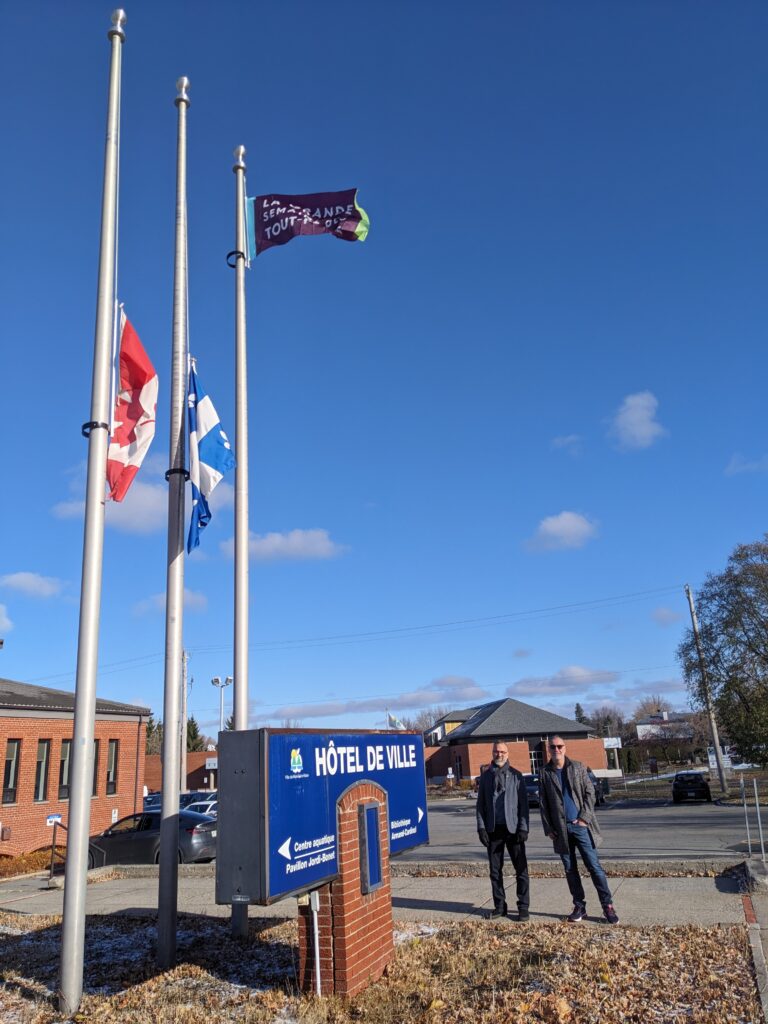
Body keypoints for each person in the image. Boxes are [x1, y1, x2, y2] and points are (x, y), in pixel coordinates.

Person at [539, 735, 619, 924]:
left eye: (560, 746)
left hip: (581, 828)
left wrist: (584, 818)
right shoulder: (545, 772)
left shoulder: (578, 767)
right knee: (570, 869)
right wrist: (548, 828)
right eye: (553, 747)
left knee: (594, 867)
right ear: (548, 749)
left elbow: (590, 793)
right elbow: (543, 802)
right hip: (560, 830)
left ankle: (607, 906)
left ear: (565, 748)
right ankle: (579, 906)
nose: (556, 749)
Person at [476, 739, 530, 921]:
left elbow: (524, 805)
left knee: (521, 869)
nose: (499, 755)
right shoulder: (485, 777)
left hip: (514, 830)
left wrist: (523, 828)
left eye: (502, 752)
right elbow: (480, 805)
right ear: (492, 753)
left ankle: (523, 907)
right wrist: (481, 828)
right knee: (494, 871)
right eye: (496, 751)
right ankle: (500, 906)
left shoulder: (516, 776)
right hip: (493, 831)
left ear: (508, 754)